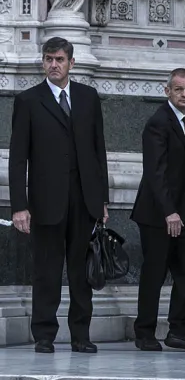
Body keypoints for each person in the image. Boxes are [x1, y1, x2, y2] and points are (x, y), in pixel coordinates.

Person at [9, 37, 110, 354]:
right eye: (49, 59)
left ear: (72, 63)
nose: (54, 64)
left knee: (82, 273)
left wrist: (102, 199)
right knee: (47, 271)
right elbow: (17, 158)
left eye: (60, 59)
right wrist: (19, 207)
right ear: (43, 62)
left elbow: (98, 151)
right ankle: (44, 335)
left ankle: (81, 334)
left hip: (85, 200)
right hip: (46, 202)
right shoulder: (28, 100)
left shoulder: (88, 97)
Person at [131, 68, 185, 352]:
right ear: (167, 91)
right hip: (157, 215)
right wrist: (169, 212)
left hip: (184, 212)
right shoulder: (158, 123)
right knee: (155, 272)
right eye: (179, 90)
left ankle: (180, 329)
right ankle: (144, 333)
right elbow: (155, 172)